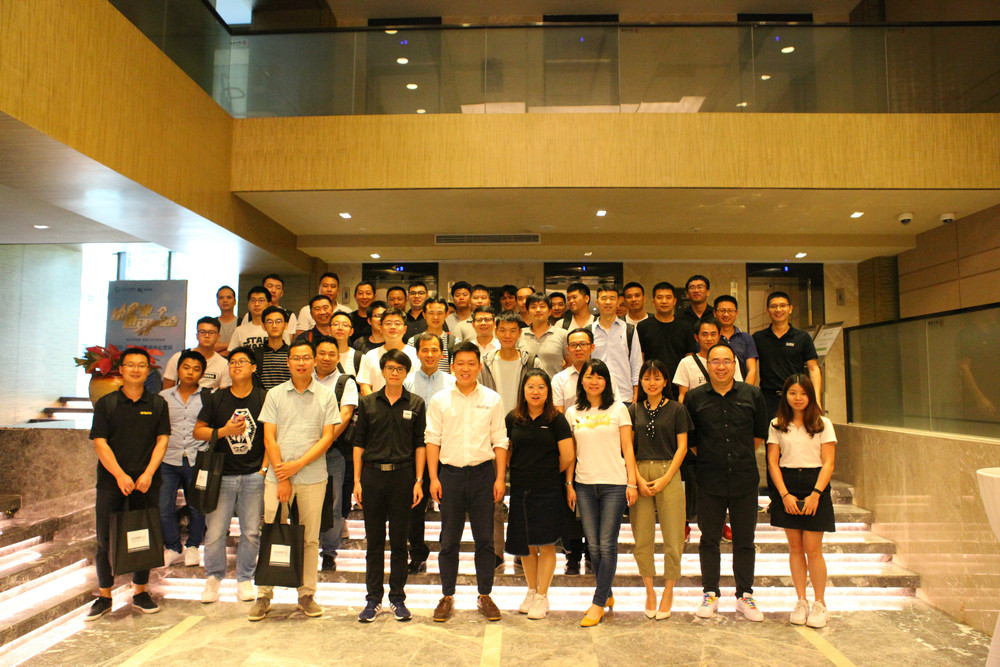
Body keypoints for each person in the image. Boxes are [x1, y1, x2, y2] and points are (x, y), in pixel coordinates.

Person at [249, 340, 340, 622]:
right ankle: (264, 595)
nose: (301, 363)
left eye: (306, 358)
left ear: (314, 361)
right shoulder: (275, 394)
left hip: (313, 478)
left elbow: (327, 438)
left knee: (310, 538)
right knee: (271, 533)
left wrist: (297, 465)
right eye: (296, 358)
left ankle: (306, 594)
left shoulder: (326, 396)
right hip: (278, 478)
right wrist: (282, 475)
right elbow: (269, 438)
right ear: (288, 362)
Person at [426, 342, 508, 623]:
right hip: (449, 476)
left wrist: (500, 478)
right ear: (452, 367)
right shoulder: (440, 400)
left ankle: (485, 595)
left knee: (485, 540)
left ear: (479, 366)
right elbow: (432, 439)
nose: (466, 368)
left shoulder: (492, 399)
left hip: (484, 475)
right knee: (449, 540)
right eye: (460, 363)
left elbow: (500, 440)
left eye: (471, 363)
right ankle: (447, 596)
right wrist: (433, 477)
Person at [685, 344, 769, 622]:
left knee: (745, 540)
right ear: (707, 365)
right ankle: (710, 593)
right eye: (715, 361)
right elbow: (692, 441)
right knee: (709, 539)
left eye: (726, 361)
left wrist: (737, 456)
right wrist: (715, 458)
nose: (721, 366)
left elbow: (759, 435)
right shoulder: (694, 398)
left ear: (735, 364)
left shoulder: (752, 394)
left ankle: (745, 595)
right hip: (709, 478)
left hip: (745, 477)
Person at [87, 347, 170, 620]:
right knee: (105, 539)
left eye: (141, 365)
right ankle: (104, 596)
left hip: (146, 482)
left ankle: (140, 592)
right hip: (111, 482)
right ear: (121, 370)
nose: (136, 369)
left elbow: (162, 441)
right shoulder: (106, 404)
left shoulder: (158, 404)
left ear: (148, 370)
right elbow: (100, 443)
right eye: (130, 365)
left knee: (143, 535)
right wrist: (120, 475)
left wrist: (148, 473)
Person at [353, 349, 427, 622]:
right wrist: (357, 481)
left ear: (406, 373)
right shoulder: (368, 403)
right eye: (390, 368)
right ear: (383, 371)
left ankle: (397, 598)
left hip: (403, 477)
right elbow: (359, 443)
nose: (394, 373)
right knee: (374, 543)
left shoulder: (416, 403)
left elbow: (420, 445)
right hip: (372, 477)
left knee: (399, 543)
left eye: (400, 369)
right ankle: (373, 599)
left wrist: (419, 480)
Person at [565, 359, 638, 627]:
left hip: (614, 484)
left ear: (606, 382)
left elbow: (628, 448)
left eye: (599, 377)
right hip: (584, 484)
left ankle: (598, 603)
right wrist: (569, 484)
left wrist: (632, 482)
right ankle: (606, 594)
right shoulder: (572, 412)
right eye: (589, 376)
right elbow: (571, 452)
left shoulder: (619, 409)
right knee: (593, 546)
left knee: (607, 544)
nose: (593, 381)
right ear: (581, 381)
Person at [193, 346, 268, 604]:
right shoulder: (217, 399)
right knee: (215, 531)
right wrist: (224, 431)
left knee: (251, 532)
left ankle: (245, 578)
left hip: (254, 475)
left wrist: (263, 470)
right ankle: (213, 577)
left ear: (254, 368)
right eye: (232, 362)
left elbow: (272, 436)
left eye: (242, 361)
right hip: (221, 476)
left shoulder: (264, 397)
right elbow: (198, 431)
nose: (236, 365)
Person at [767, 374, 836, 629]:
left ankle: (820, 603)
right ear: (785, 395)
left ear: (811, 396)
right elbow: (773, 462)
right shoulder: (776, 424)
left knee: (813, 548)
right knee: (795, 547)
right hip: (787, 485)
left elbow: (828, 462)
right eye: (793, 393)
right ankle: (801, 601)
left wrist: (816, 494)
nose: (798, 398)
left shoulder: (823, 423)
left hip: (815, 483)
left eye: (803, 393)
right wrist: (784, 495)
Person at [505, 370, 574, 620]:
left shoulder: (556, 419)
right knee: (526, 545)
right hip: (520, 489)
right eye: (531, 387)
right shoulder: (513, 418)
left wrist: (545, 472)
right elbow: (507, 451)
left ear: (548, 392)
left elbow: (567, 456)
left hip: (547, 490)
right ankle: (531, 591)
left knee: (545, 544)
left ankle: (543, 596)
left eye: (541, 387)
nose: (535, 391)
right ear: (523, 390)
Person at [629, 359, 692, 620]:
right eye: (647, 378)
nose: (652, 383)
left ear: (666, 381)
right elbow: (628, 447)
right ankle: (649, 590)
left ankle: (668, 589)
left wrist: (667, 478)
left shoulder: (677, 409)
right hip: (639, 472)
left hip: (670, 472)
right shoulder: (633, 409)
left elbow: (683, 447)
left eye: (657, 378)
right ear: (641, 382)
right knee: (642, 537)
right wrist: (636, 479)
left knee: (673, 536)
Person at [402, 332, 456, 574]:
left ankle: (448, 550)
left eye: (434, 350)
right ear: (417, 353)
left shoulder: (452, 382)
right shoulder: (407, 382)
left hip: (447, 451)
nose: (430, 354)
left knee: (449, 506)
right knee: (414, 507)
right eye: (425, 350)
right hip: (415, 452)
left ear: (442, 354)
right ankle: (417, 553)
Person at [159, 350, 208, 569]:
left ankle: (193, 546)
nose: (190, 372)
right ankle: (172, 547)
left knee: (197, 506)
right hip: (168, 458)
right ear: (178, 370)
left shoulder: (208, 397)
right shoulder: (163, 397)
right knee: (164, 506)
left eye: (196, 369)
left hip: (197, 458)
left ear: (202, 374)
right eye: (186, 367)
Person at [313, 339, 359, 572]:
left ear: (337, 358)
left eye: (332, 354)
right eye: (322, 353)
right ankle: (306, 548)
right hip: (302, 453)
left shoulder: (345, 382)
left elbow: (346, 414)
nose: (326, 357)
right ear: (314, 357)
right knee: (303, 503)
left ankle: (329, 553)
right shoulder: (303, 378)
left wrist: (323, 442)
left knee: (333, 503)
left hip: (333, 452)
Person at [753, 291, 822, 418]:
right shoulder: (758, 338)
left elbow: (813, 369)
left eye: (783, 305)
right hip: (768, 399)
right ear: (767, 310)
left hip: (796, 397)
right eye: (773, 306)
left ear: (790, 309)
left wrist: (816, 399)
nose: (778, 310)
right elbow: (751, 368)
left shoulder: (802, 337)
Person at [636, 282, 697, 400]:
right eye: (660, 297)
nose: (664, 301)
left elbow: (689, 357)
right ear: (653, 301)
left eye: (668, 298)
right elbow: (640, 357)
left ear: (674, 301)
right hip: (652, 385)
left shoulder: (685, 326)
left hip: (678, 385)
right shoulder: (643, 326)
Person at [591, 285, 642, 404]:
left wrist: (636, 395)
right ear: (597, 302)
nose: (608, 302)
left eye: (612, 298)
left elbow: (636, 363)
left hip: (625, 396)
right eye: (604, 298)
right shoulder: (589, 331)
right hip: (596, 396)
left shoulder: (629, 330)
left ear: (618, 302)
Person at [674, 317, 744, 402]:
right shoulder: (686, 363)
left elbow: (738, 387)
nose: (709, 338)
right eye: (704, 334)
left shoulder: (730, 359)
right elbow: (683, 395)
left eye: (713, 334)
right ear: (696, 337)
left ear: (719, 336)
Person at [357, 308, 418, 395]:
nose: (393, 327)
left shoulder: (416, 354)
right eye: (388, 323)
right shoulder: (370, 355)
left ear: (405, 329)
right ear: (381, 328)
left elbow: (419, 386)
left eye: (397, 323)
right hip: (376, 403)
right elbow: (365, 387)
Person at [162, 316, 230, 390]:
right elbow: (166, 390)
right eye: (202, 332)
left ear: (218, 336)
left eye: (211, 332)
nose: (207, 336)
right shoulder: (178, 357)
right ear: (197, 335)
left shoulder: (224, 364)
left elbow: (223, 393)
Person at [517, 293, 569, 379]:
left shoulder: (562, 334)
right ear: (528, 312)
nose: (538, 310)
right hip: (527, 386)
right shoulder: (519, 334)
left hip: (554, 386)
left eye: (542, 306)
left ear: (550, 311)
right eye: (533, 307)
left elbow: (570, 363)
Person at [714, 295, 758, 386]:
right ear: (715, 313)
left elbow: (752, 370)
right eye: (722, 310)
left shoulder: (746, 338)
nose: (726, 314)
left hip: (741, 388)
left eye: (730, 311)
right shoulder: (710, 338)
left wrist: (745, 391)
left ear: (736, 313)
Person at [407, 296, 453, 373]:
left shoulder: (454, 342)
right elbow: (410, 371)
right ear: (424, 315)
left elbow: (455, 372)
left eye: (440, 313)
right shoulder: (413, 341)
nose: (435, 317)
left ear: (446, 314)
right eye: (431, 313)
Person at [251, 306, 291, 391]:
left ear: (286, 325)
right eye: (269, 322)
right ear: (263, 326)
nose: (274, 326)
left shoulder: (292, 353)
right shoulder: (256, 354)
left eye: (278, 321)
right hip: (263, 398)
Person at [228, 286, 276, 351]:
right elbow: (232, 354)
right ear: (248, 304)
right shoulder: (239, 331)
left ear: (269, 304)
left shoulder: (276, 328)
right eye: (253, 300)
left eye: (261, 300)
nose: (257, 304)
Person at [350, 280, 376, 344]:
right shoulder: (349, 318)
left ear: (374, 297)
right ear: (355, 297)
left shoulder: (378, 319)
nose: (364, 297)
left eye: (368, 293)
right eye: (360, 293)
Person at [215, 286, 238, 355]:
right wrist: (234, 343)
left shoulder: (242, 322)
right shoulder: (211, 323)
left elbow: (242, 345)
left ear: (235, 301)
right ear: (217, 301)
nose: (225, 300)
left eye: (229, 297)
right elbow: (208, 346)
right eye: (221, 298)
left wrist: (218, 353)